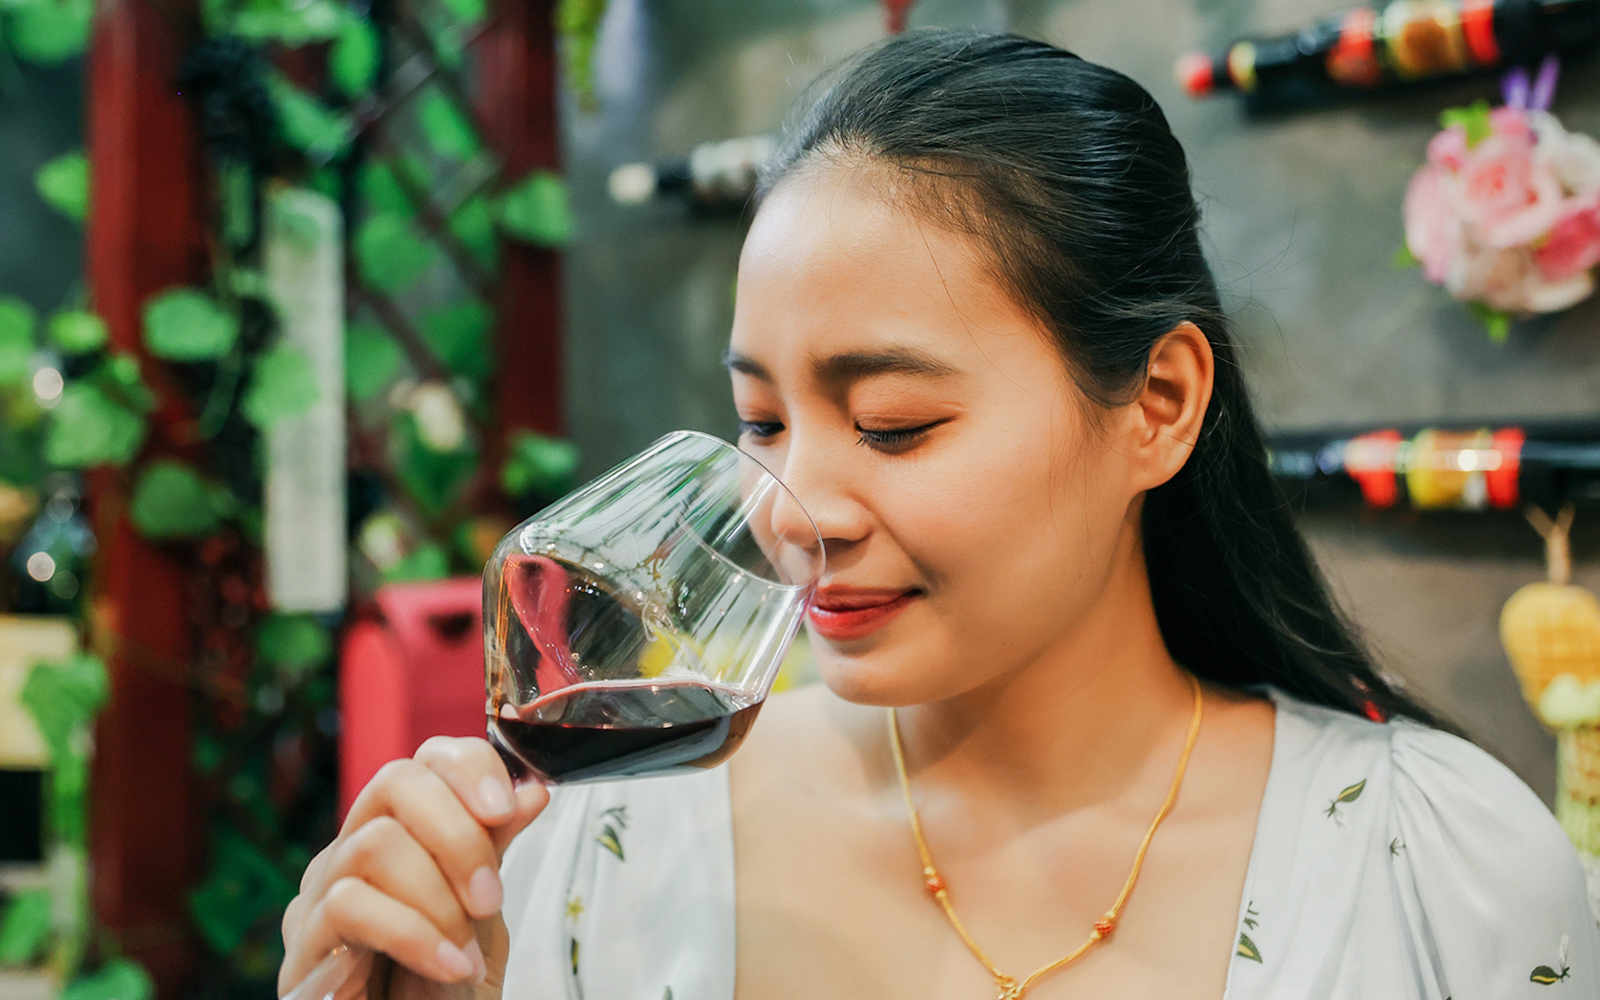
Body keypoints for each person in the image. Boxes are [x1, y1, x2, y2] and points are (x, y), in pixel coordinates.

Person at [280, 30, 1599, 1000]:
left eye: (897, 423)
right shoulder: (611, 858)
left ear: (1157, 403)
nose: (798, 510)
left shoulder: (1427, 869)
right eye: (761, 420)